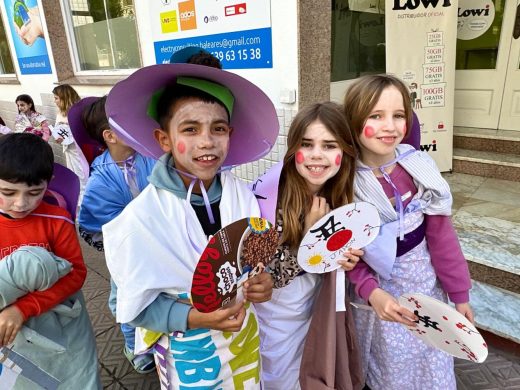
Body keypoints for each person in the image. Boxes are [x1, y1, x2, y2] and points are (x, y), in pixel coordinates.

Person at [101, 63, 279, 389]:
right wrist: (196, 317)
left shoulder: (241, 195)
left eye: (219, 129)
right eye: (190, 129)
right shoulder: (140, 219)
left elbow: (254, 258)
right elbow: (133, 306)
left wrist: (262, 282)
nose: (207, 142)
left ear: (231, 134)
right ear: (164, 139)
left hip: (243, 342)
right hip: (189, 351)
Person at [343, 74, 473, 390]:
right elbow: (349, 256)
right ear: (354, 120)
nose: (389, 126)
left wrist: (459, 294)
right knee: (390, 371)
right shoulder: (346, 183)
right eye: (376, 116)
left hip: (428, 290)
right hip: (383, 302)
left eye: (398, 115)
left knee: (432, 363)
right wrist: (372, 292)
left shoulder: (418, 168)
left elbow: (442, 239)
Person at [252, 102, 364, 390]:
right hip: (276, 314)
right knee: (279, 375)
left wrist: (345, 258)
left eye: (329, 146)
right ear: (293, 150)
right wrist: (307, 237)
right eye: (307, 144)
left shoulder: (341, 191)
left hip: (315, 306)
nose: (317, 155)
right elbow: (266, 275)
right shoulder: (269, 196)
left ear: (345, 152)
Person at [0, 133, 100, 389]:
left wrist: (23, 308)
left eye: (35, 192)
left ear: (49, 183)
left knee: (77, 377)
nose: (21, 203)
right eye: (7, 192)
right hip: (9, 330)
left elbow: (76, 273)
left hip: (62, 319)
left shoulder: (58, 220)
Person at [77, 95, 157, 374]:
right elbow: (96, 226)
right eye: (128, 122)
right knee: (126, 299)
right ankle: (135, 348)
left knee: (157, 296)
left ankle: (156, 341)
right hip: (128, 252)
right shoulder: (101, 178)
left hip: (158, 244)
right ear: (109, 135)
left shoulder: (148, 155)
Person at [52, 84, 89, 199]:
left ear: (65, 97)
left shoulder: (79, 112)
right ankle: (78, 196)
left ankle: (86, 197)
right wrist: (58, 138)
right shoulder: (60, 114)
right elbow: (59, 132)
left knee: (83, 173)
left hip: (80, 150)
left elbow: (85, 131)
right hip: (68, 149)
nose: (55, 101)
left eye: (56, 98)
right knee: (74, 173)